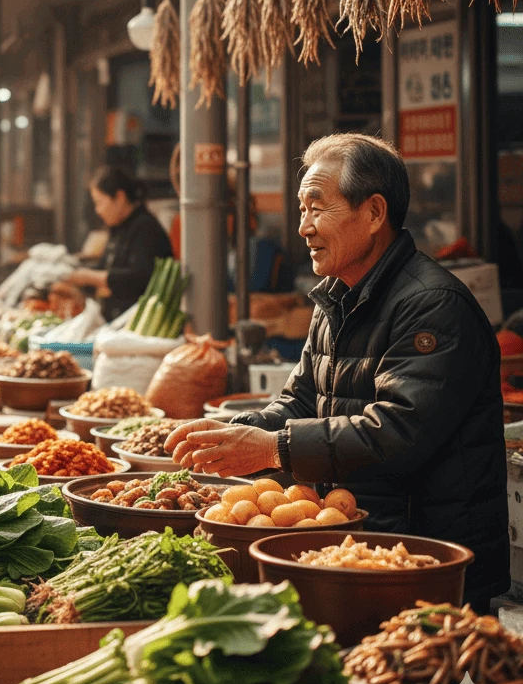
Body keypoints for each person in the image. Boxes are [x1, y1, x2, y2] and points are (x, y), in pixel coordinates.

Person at [165, 134, 509, 609]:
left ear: (373, 213)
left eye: (317, 207)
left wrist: (273, 448)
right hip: (357, 545)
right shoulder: (336, 296)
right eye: (301, 209)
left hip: (423, 561)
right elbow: (301, 400)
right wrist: (229, 433)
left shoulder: (432, 305)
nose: (304, 226)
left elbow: (397, 431)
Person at [66, 166, 174, 321]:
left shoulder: (146, 228)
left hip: (137, 324)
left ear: (120, 197)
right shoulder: (118, 228)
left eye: (100, 202)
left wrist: (90, 277)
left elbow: (139, 278)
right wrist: (77, 278)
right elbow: (105, 267)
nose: (97, 210)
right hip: (114, 322)